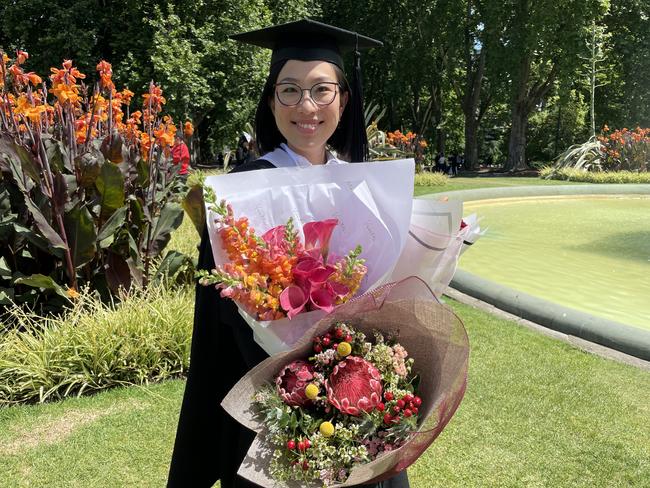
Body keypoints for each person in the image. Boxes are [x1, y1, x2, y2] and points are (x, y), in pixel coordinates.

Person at [167, 19, 409, 488]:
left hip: (360, 392)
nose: (307, 106)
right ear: (271, 99)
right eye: (290, 90)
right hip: (274, 404)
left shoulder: (363, 184)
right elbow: (222, 318)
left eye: (322, 90)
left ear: (343, 97)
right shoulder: (240, 192)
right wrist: (300, 372)